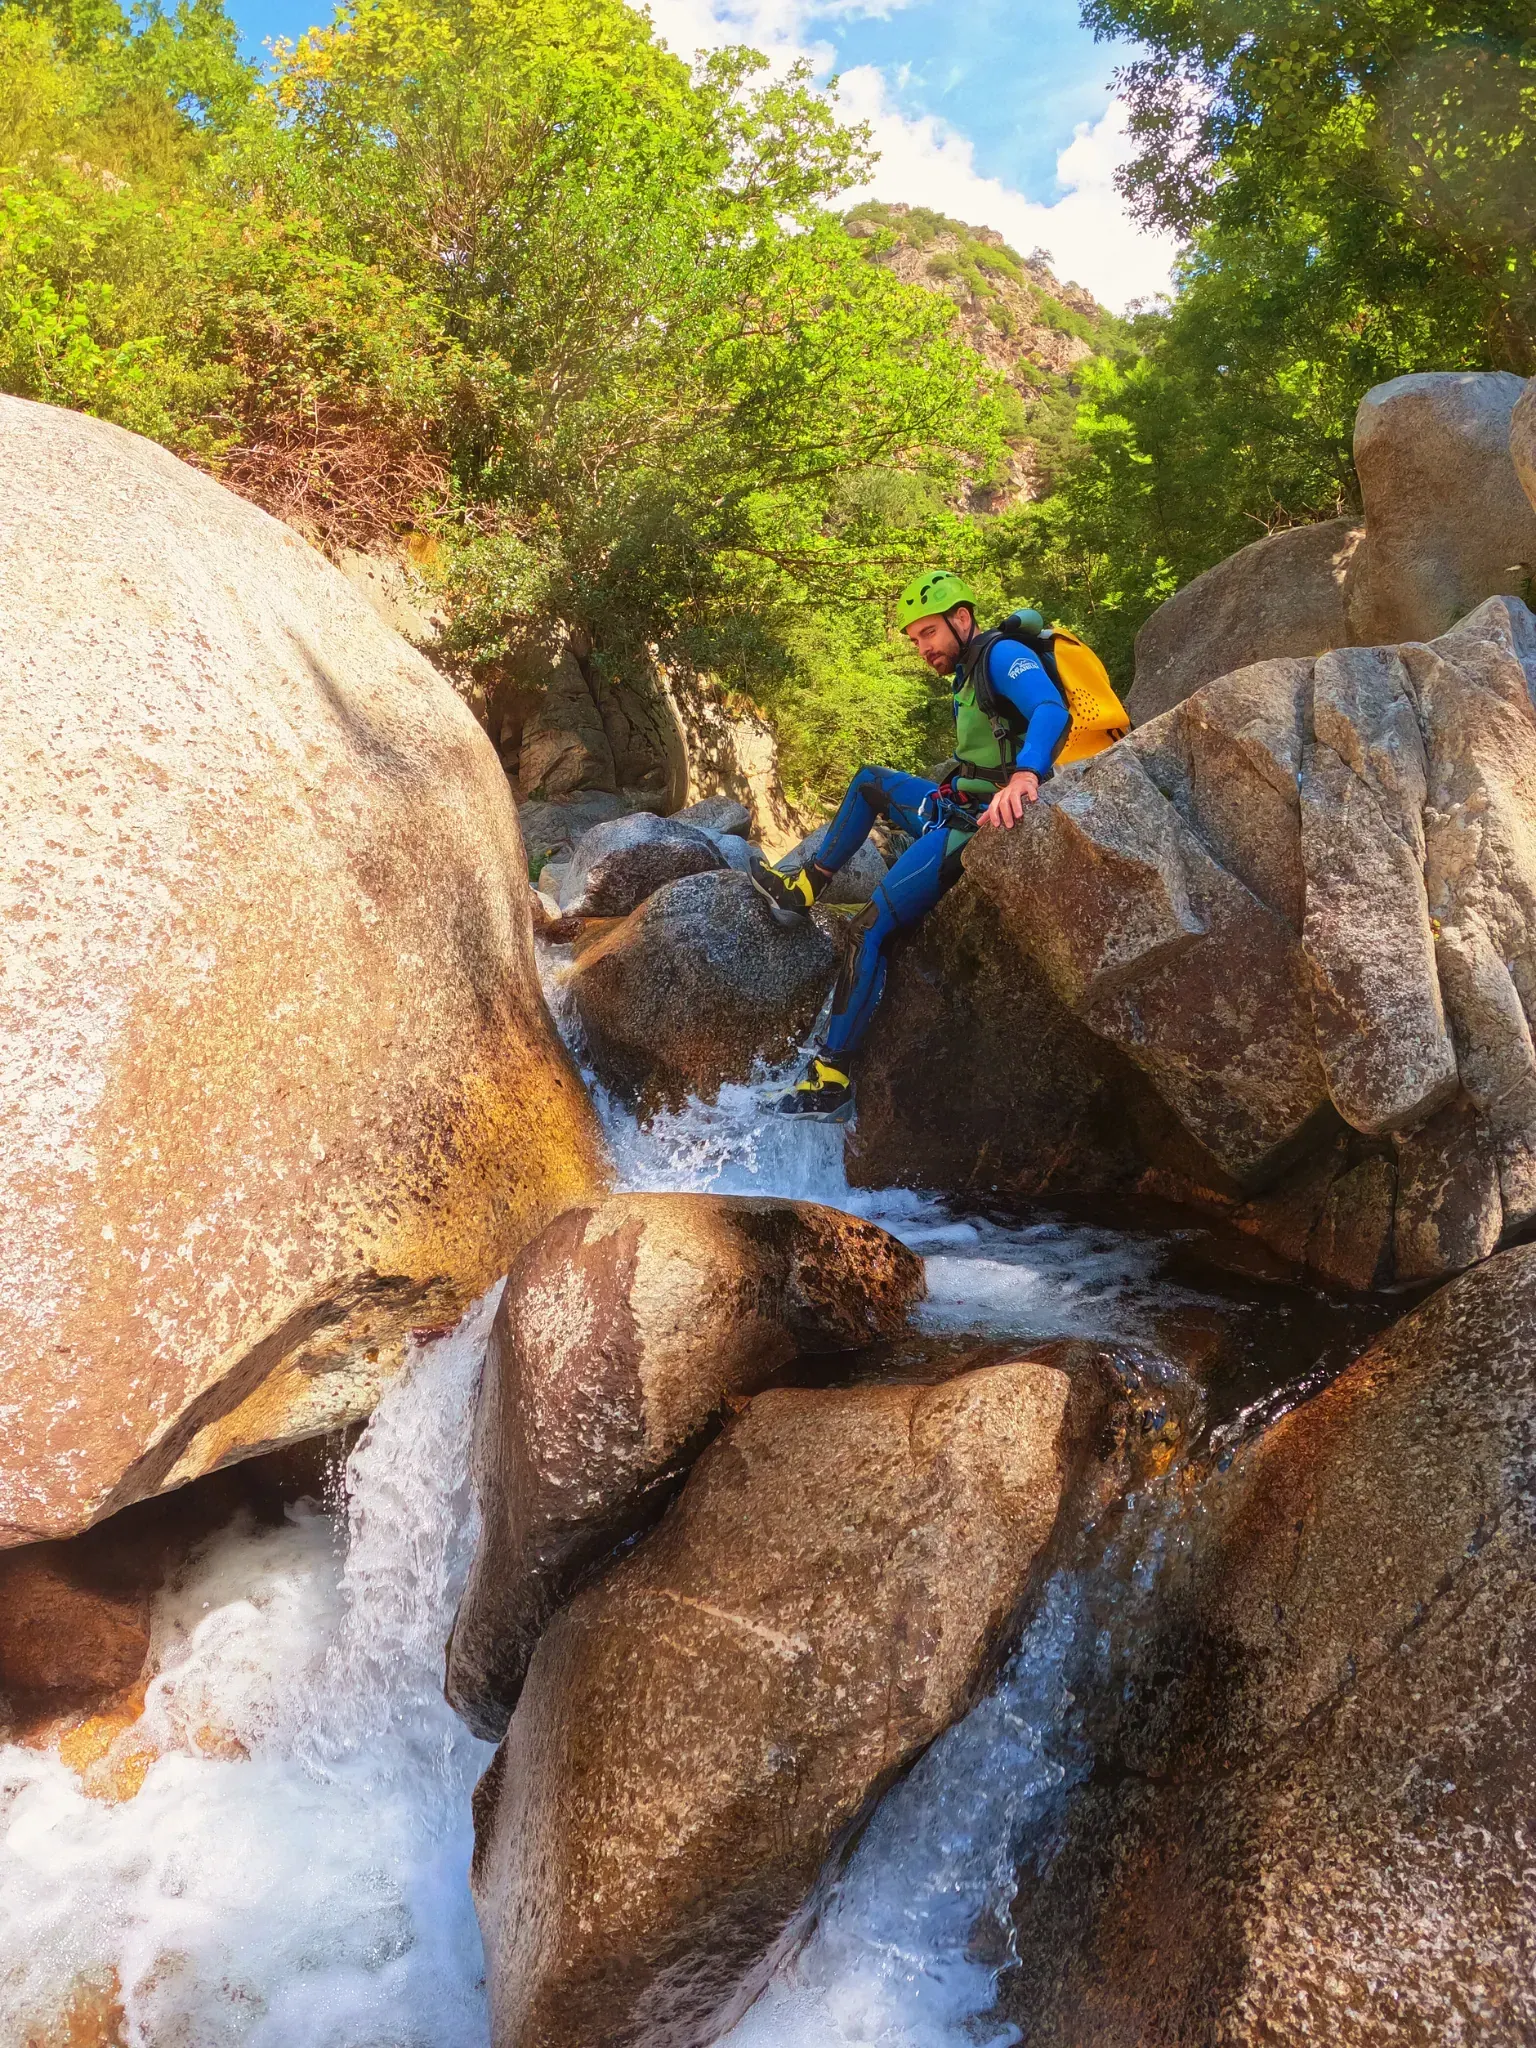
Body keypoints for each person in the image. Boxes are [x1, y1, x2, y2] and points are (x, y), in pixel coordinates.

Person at [750, 569, 1070, 1120]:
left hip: (975, 828)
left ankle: (832, 1077)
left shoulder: (999, 655)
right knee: (871, 781)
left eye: (928, 632)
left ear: (961, 619)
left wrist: (1026, 776)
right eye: (916, 638)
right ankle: (805, 888)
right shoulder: (966, 673)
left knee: (868, 928)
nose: (922, 647)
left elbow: (1049, 709)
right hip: (958, 803)